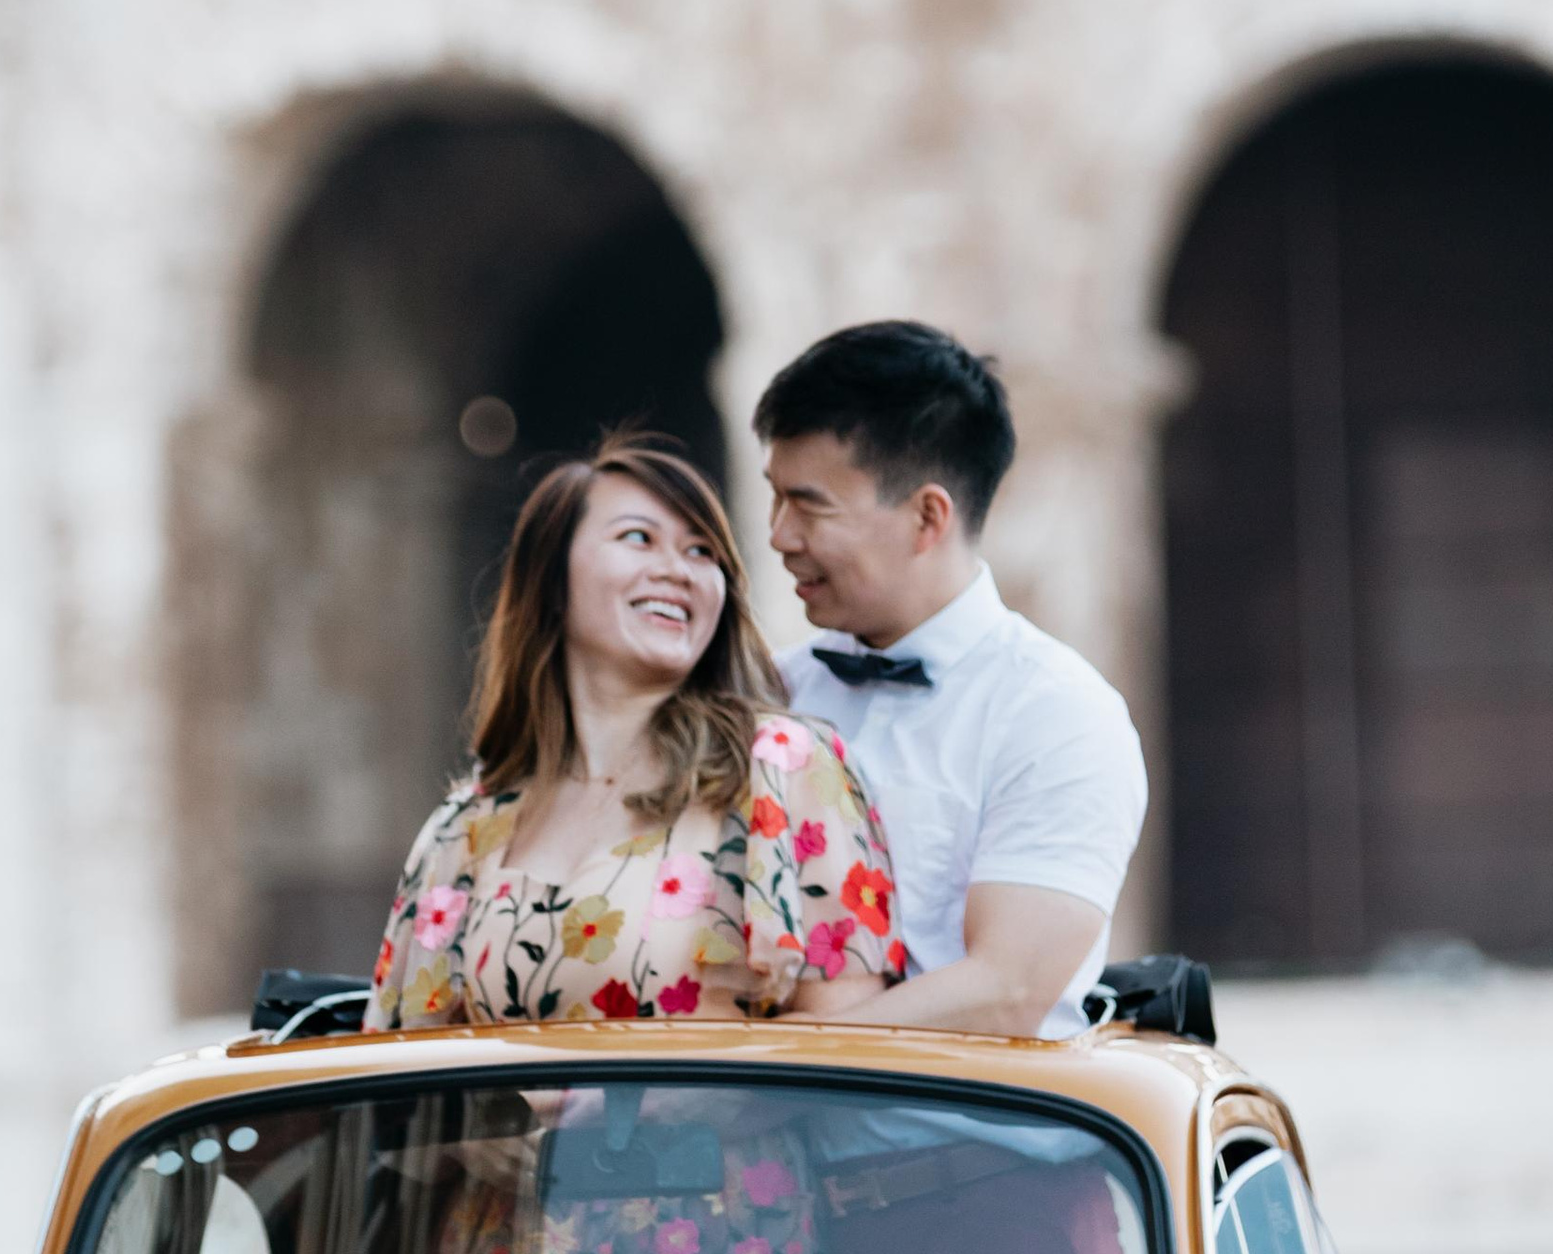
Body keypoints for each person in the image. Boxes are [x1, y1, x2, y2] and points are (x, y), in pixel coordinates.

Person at [367, 430, 905, 1032]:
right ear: (550, 582)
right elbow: (403, 1077)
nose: (677, 570)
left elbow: (852, 1044)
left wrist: (621, 1104)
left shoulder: (784, 766)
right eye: (637, 538)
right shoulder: (463, 829)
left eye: (703, 552)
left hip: (717, 1131)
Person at [757, 321, 1145, 1038]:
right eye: (775, 498)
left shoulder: (1058, 714)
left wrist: (762, 1075)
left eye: (808, 505)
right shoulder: (768, 691)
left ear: (927, 516)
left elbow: (1007, 988)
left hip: (976, 1144)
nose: (779, 535)